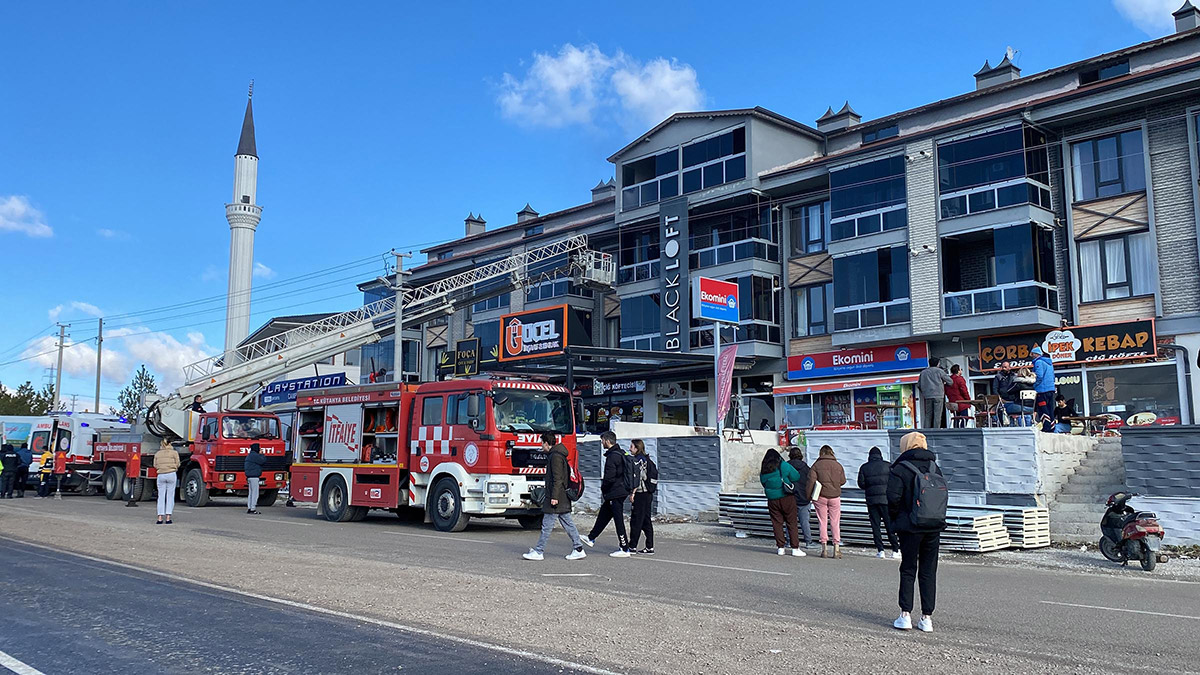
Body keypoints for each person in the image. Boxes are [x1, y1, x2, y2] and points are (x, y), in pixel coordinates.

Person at [888, 431, 946, 633]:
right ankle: (927, 618)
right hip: (933, 525)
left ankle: (905, 615)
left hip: (910, 527)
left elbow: (893, 499)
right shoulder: (934, 466)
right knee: (929, 571)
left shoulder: (900, 469)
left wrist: (896, 521)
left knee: (908, 568)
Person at [523, 432, 586, 561]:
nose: (541, 446)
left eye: (542, 443)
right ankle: (578, 548)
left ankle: (539, 551)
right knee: (568, 523)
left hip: (556, 497)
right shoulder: (559, 455)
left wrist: (554, 497)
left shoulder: (555, 457)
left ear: (547, 443)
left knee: (546, 525)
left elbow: (557, 479)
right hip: (562, 497)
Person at [583, 430, 633, 557]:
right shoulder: (622, 453)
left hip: (615, 492)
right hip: (620, 490)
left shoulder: (613, 457)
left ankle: (624, 548)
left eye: (602, 441)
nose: (602, 443)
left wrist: (604, 489)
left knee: (618, 520)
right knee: (604, 514)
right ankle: (591, 538)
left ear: (607, 441)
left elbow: (609, 477)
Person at [759, 448, 803, 556]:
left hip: (772, 500)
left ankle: (780, 547)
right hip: (786, 497)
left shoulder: (764, 469)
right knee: (791, 522)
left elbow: (764, 483)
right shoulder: (783, 465)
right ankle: (795, 548)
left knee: (777, 523)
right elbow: (796, 476)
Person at [857, 447, 899, 559]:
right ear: (880, 455)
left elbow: (861, 484)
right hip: (886, 501)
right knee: (889, 525)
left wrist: (870, 487)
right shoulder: (888, 466)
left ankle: (881, 550)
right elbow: (894, 482)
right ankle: (895, 549)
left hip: (871, 501)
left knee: (876, 526)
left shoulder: (864, 467)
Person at [807, 445, 847, 558]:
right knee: (835, 522)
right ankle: (836, 548)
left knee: (822, 521)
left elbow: (811, 481)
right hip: (835, 497)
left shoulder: (816, 465)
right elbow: (843, 481)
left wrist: (808, 496)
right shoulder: (838, 465)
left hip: (821, 496)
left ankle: (824, 549)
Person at [627, 439, 658, 555]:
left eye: (631, 446)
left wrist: (633, 493)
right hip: (648, 493)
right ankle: (649, 547)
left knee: (636, 520)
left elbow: (638, 478)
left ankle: (632, 546)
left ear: (637, 448)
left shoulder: (637, 461)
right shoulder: (647, 460)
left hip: (641, 493)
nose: (630, 449)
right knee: (646, 520)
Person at [786, 446, 813, 548]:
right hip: (804, 498)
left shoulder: (786, 466)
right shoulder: (806, 468)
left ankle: (789, 541)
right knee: (805, 522)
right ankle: (808, 541)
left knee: (790, 521)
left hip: (789, 497)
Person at [917, 357, 953, 429]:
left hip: (927, 396)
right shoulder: (940, 371)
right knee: (937, 415)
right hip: (938, 395)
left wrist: (925, 392)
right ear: (938, 363)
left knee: (928, 415)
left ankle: (926, 430)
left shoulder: (923, 372)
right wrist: (944, 383)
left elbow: (919, 385)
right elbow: (950, 382)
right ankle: (936, 431)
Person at [154, 440, 180, 524]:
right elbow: (178, 463)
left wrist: (161, 468)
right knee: (170, 496)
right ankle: (168, 518)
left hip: (161, 475)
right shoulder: (174, 453)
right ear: (170, 444)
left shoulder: (157, 453)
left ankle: (160, 518)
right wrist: (173, 467)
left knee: (161, 496)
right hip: (171, 474)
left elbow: (155, 465)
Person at [1031, 346, 1057, 431]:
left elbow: (1039, 376)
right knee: (1050, 408)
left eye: (1032, 354)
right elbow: (1053, 376)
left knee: (1042, 409)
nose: (1031, 355)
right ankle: (1052, 427)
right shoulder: (1049, 363)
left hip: (1042, 390)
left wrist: (1034, 385)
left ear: (1036, 354)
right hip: (1050, 389)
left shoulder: (1038, 362)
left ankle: (1046, 427)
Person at [245, 442, 265, 514]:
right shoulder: (255, 456)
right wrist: (262, 454)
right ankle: (253, 508)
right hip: (254, 477)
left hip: (249, 477)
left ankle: (249, 507)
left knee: (250, 493)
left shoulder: (250, 455)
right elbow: (263, 461)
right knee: (255, 493)